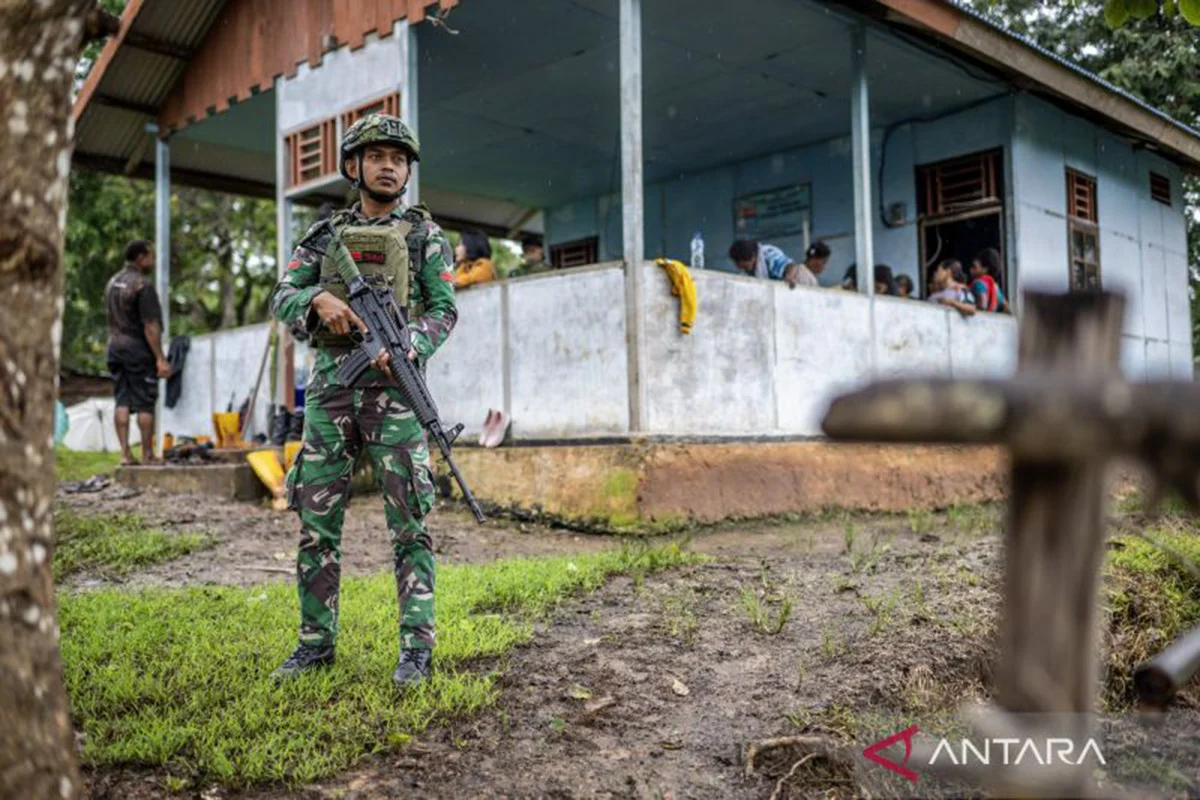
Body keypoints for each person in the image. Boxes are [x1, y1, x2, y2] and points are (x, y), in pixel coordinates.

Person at [267, 114, 458, 689]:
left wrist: (407, 344)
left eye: (398, 159)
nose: (389, 166)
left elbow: (443, 309)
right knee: (317, 524)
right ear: (354, 165)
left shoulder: (427, 237)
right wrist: (319, 301)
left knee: (411, 524)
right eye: (377, 156)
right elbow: (283, 294)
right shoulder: (323, 236)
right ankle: (314, 645)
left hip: (397, 396)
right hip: (331, 393)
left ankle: (416, 651)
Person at [104, 239, 169, 466]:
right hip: (137, 351)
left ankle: (124, 454)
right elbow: (150, 326)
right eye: (150, 256)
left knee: (121, 400)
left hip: (114, 348)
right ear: (141, 258)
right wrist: (160, 357)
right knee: (144, 403)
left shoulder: (112, 283)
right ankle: (147, 455)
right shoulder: (142, 286)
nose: (152, 261)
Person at [728, 239, 819, 289]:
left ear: (753, 257)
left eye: (745, 266)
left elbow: (791, 265)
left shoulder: (768, 256)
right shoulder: (752, 269)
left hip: (800, 277)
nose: (745, 270)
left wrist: (789, 277)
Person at [970, 247, 1009, 313]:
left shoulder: (978, 283)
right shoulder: (994, 286)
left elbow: (982, 306)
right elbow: (1006, 307)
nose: (970, 270)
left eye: (974, 267)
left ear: (985, 269)